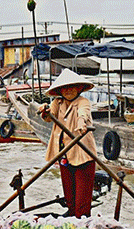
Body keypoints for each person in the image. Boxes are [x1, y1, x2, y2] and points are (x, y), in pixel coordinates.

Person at [37, 69, 97, 218]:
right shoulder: (58, 102)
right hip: (64, 152)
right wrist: (45, 111)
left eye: (72, 87)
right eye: (65, 87)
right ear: (60, 90)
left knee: (82, 198)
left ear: (79, 88)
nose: (69, 91)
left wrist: (82, 123)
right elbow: (49, 116)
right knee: (69, 194)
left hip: (82, 152)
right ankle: (71, 215)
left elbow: (83, 113)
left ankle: (81, 220)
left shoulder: (82, 102)